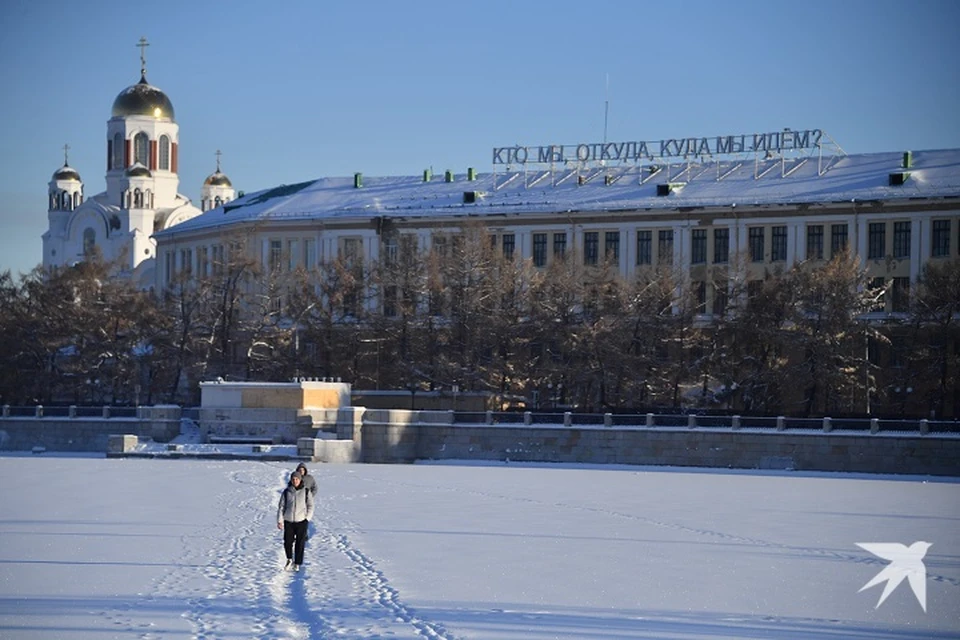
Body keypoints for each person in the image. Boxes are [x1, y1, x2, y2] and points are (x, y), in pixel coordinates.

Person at [277, 471, 313, 571]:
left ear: (300, 480)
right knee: (288, 542)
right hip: (288, 521)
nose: (295, 481)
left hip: (301, 521)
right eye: (293, 479)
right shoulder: (286, 492)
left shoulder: (306, 491)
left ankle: (297, 562)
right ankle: (289, 559)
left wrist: (307, 518)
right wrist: (280, 520)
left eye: (297, 479)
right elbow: (281, 506)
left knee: (300, 543)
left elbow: (310, 506)